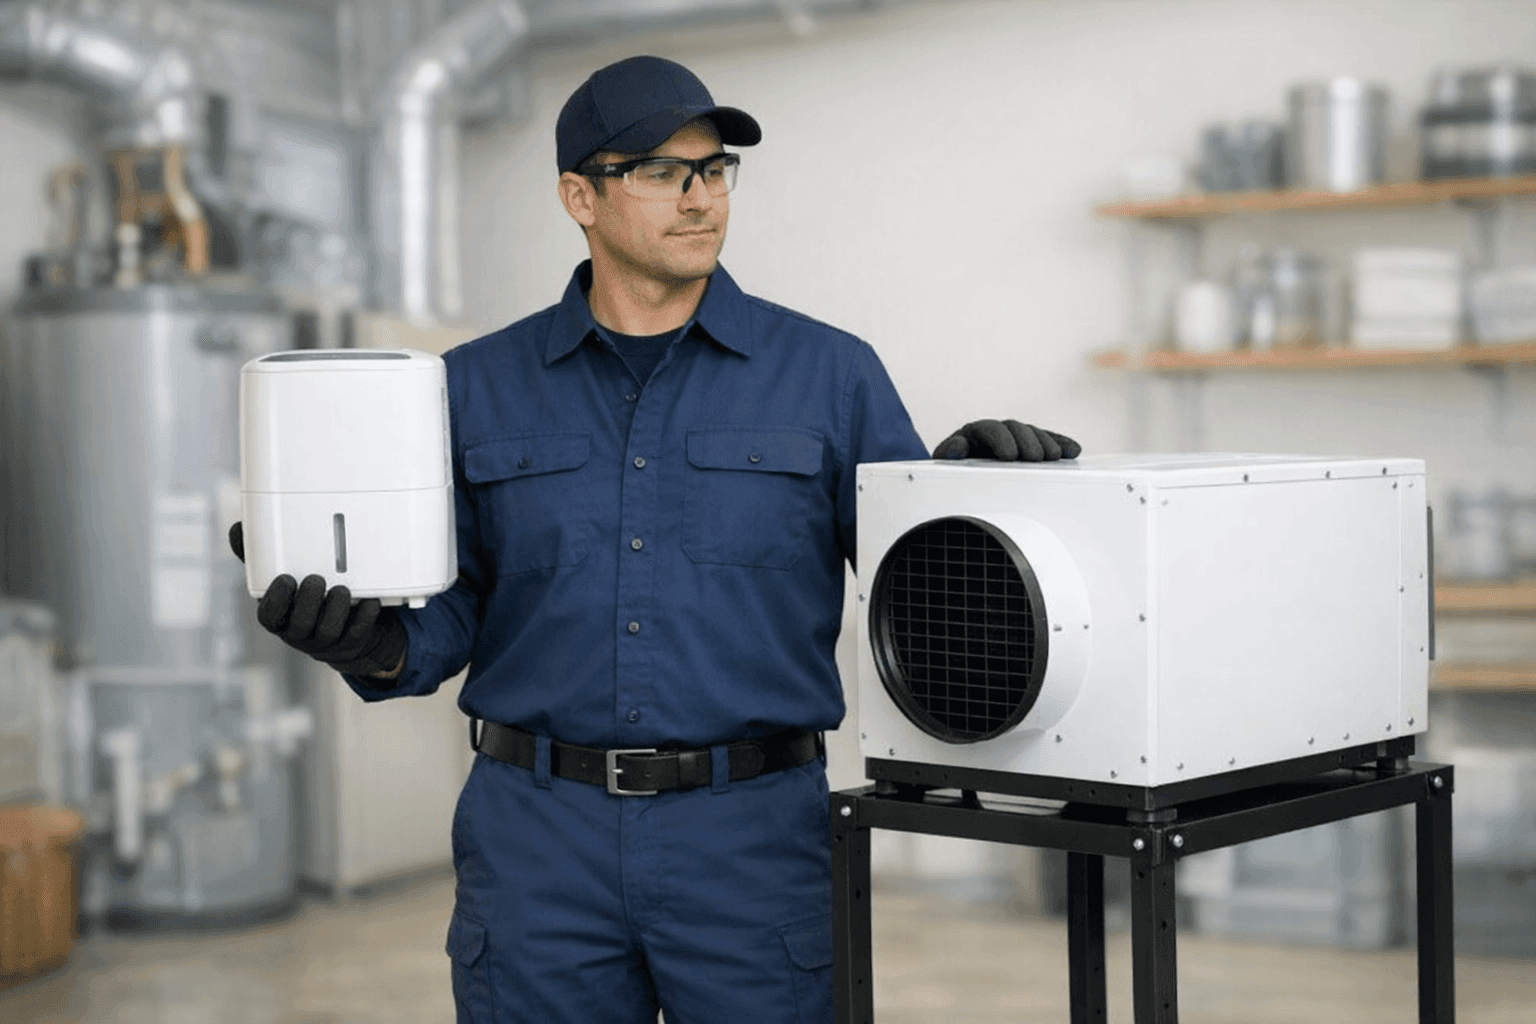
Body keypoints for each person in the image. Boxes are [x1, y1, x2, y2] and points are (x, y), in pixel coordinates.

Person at [233, 55, 1079, 1024]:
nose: (701, 198)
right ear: (579, 197)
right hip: (536, 842)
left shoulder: (830, 374)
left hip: (753, 841)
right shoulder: (472, 386)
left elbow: (920, 590)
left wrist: (973, 503)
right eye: (662, 171)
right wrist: (371, 642)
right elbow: (452, 612)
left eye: (714, 170)